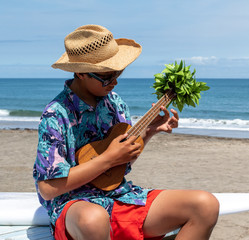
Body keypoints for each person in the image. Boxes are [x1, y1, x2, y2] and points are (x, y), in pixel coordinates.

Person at [33, 24, 219, 240]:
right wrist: (108, 159)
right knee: (93, 219)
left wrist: (149, 132)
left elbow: (119, 167)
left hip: (118, 195)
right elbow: (48, 188)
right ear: (81, 73)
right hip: (74, 205)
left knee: (205, 205)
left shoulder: (115, 103)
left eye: (118, 73)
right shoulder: (56, 114)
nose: (115, 82)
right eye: (107, 76)